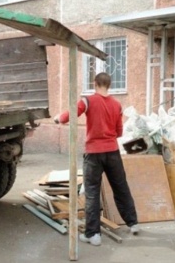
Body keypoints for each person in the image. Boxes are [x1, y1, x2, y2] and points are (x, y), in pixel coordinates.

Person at [54, 72, 139, 246]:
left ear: (95, 84)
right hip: (113, 152)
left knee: (92, 192)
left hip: (93, 153)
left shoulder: (87, 101)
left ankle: (93, 235)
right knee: (121, 187)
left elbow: (71, 112)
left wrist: (59, 119)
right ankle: (133, 223)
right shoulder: (117, 105)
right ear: (109, 85)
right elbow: (119, 132)